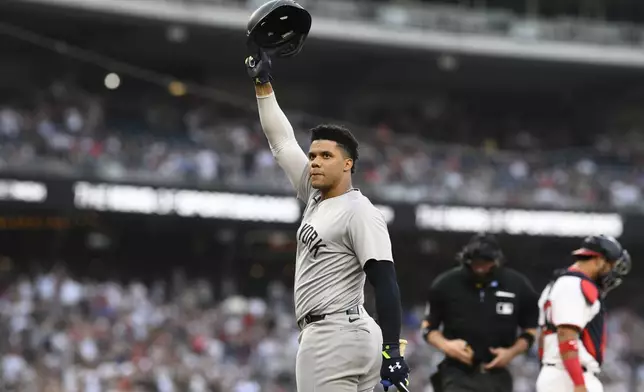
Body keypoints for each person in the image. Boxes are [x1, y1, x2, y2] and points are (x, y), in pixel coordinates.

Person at [244, 50, 410, 392]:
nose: (315, 162)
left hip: (333, 337)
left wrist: (392, 349)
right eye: (313, 156)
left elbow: (385, 280)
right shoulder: (316, 194)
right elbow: (281, 141)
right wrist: (263, 85)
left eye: (326, 156)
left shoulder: (359, 210)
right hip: (348, 334)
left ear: (347, 164)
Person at [421, 233, 538, 392]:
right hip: (457, 373)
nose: (480, 268)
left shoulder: (518, 285)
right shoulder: (445, 284)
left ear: (497, 261)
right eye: (476, 263)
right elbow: (428, 328)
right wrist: (447, 346)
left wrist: (511, 352)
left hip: (498, 374)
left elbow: (530, 329)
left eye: (486, 263)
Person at [536, 235, 631, 392]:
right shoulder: (574, 284)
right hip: (568, 377)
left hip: (560, 374)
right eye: (611, 266)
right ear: (598, 261)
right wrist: (579, 384)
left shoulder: (558, 283)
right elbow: (566, 334)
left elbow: (542, 339)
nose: (611, 273)